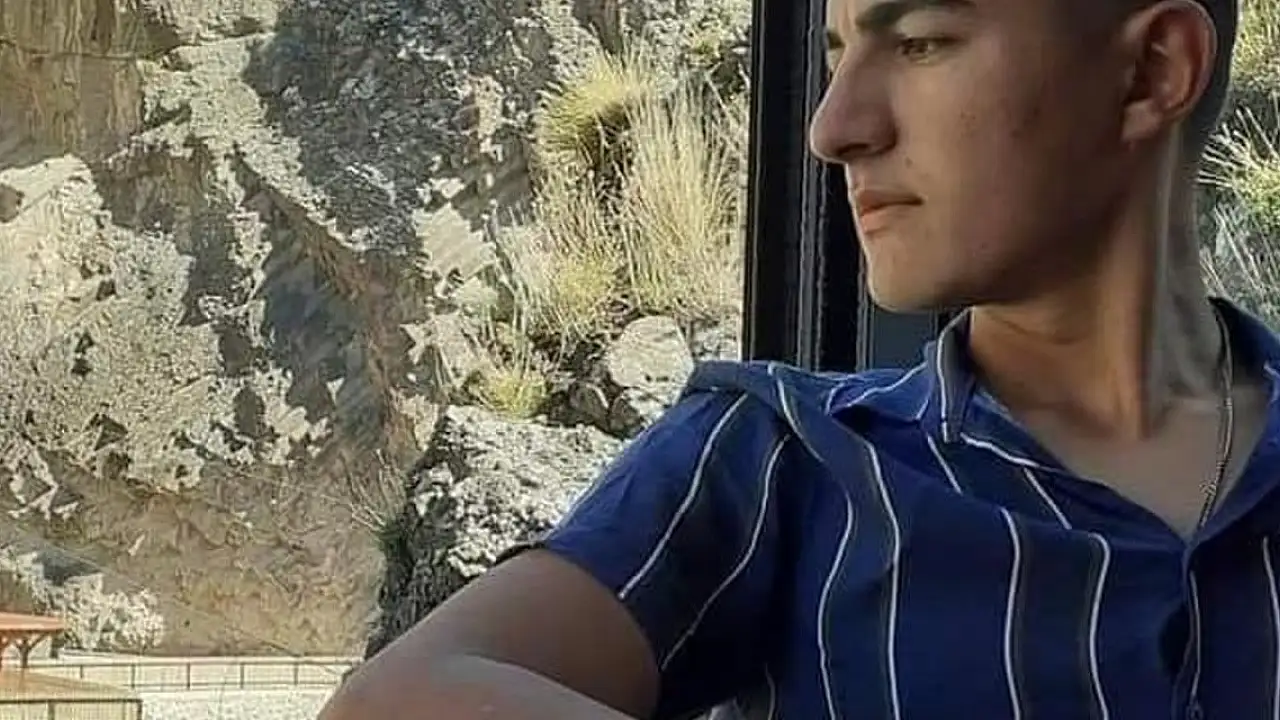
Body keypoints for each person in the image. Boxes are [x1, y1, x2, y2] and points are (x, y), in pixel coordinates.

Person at [318, 0, 1275, 716]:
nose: (833, 127)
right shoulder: (778, 457)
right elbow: (396, 702)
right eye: (833, 54)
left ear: (1152, 71)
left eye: (920, 41)